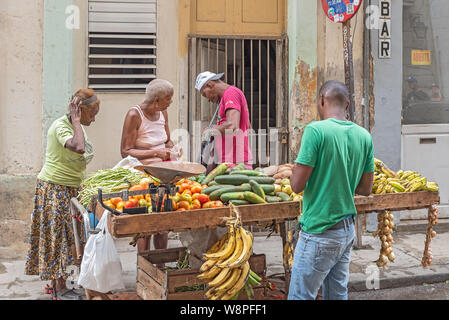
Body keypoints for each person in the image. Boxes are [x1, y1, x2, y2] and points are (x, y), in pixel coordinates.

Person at [287, 80, 374, 300]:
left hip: (319, 232)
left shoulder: (315, 131)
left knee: (300, 296)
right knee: (336, 295)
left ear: (322, 100)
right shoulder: (364, 136)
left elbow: (296, 186)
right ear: (347, 104)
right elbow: (366, 188)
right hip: (346, 231)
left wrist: (298, 169)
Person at [25, 89, 100, 300]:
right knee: (56, 237)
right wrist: (76, 121)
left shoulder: (78, 128)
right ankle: (57, 287)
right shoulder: (61, 126)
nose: (93, 119)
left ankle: (61, 282)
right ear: (79, 111)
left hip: (71, 188)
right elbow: (78, 148)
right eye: (91, 114)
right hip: (54, 188)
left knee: (70, 237)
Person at [120, 79, 179, 259]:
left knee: (163, 221)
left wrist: (173, 148)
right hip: (142, 175)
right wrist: (155, 153)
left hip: (164, 172)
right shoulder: (134, 115)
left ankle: (160, 265)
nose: (170, 102)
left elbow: (167, 139)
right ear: (156, 101)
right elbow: (126, 151)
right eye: (168, 98)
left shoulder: (163, 113)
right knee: (145, 223)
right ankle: (144, 264)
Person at [195, 71, 253, 174]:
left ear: (210, 84)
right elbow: (246, 123)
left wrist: (211, 130)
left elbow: (232, 126)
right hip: (229, 160)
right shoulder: (225, 98)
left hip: (235, 162)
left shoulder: (231, 93)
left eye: (205, 94)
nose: (208, 99)